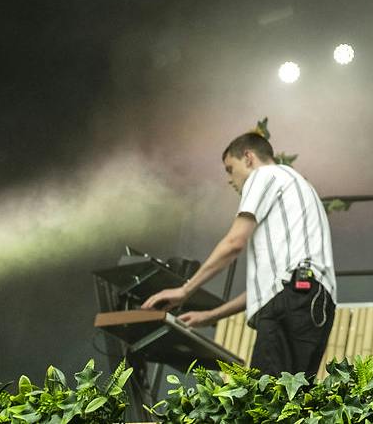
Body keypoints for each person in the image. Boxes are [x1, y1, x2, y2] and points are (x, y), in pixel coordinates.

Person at [143, 132, 338, 376]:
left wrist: (185, 290)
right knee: (291, 403)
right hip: (314, 306)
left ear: (248, 158)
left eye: (229, 168)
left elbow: (234, 242)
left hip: (293, 302)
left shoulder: (264, 175)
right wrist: (210, 316)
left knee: (266, 403)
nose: (229, 179)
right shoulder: (300, 189)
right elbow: (273, 287)